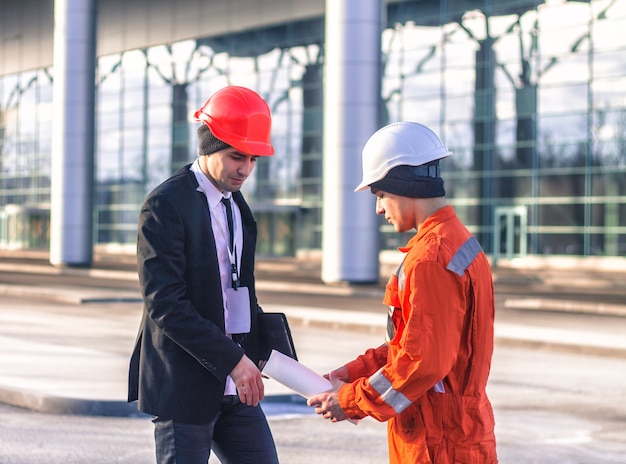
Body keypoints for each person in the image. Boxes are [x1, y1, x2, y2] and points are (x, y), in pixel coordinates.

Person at [307, 122, 498, 463]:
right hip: (454, 433)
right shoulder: (458, 242)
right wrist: (351, 374)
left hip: (436, 441)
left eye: (380, 195)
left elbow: (422, 362)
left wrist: (350, 400)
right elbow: (412, 343)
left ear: (402, 184)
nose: (379, 209)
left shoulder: (430, 259)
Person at [128, 86, 280, 464]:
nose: (245, 169)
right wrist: (233, 359)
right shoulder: (165, 205)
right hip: (185, 386)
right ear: (209, 148)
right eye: (236, 157)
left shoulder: (237, 206)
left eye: (252, 159)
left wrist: (274, 356)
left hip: (236, 382)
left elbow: (239, 290)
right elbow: (165, 305)